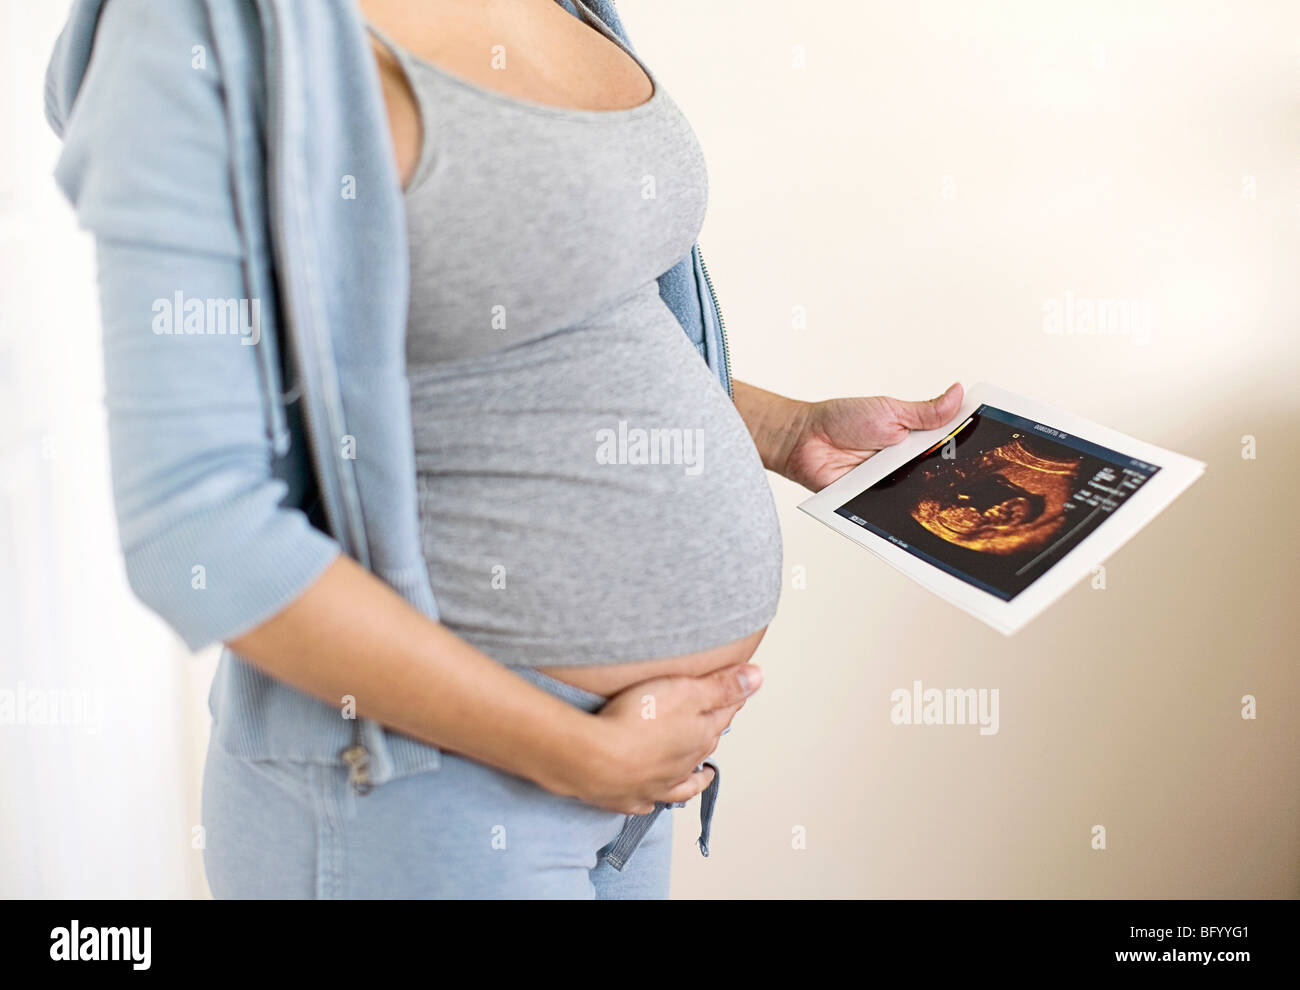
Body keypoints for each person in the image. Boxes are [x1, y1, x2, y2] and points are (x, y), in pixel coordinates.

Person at [44, 0, 962, 898]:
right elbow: (195, 531)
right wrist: (577, 752)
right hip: (421, 799)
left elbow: (564, 321)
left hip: (631, 789)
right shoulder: (193, 28)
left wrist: (785, 427)